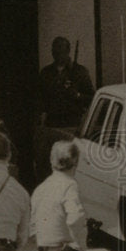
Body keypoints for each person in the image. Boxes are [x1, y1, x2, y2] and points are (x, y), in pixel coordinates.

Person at [36, 38, 95, 182]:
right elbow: (40, 99)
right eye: (54, 51)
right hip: (52, 125)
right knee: (49, 164)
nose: (56, 54)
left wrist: (77, 95)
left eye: (60, 51)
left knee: (71, 162)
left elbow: (91, 98)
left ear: (68, 52)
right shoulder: (46, 73)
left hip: (72, 125)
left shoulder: (80, 72)